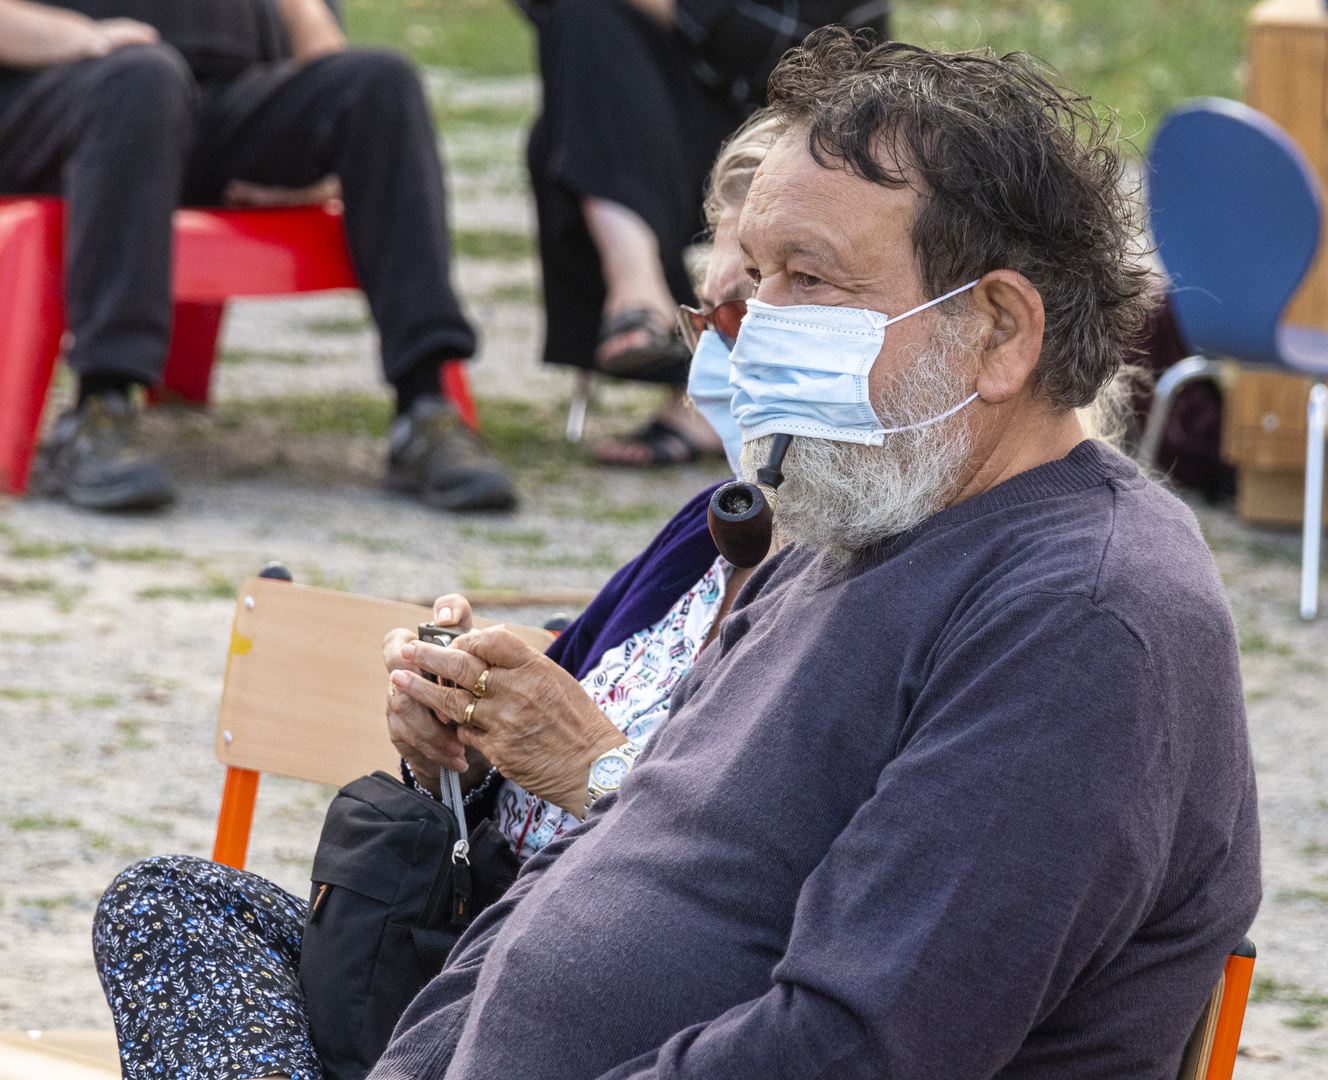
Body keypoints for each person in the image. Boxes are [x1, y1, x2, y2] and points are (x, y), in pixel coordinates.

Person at [371, 32, 1261, 1080]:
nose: (752, 330)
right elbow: (587, 874)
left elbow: (857, 1047)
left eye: (809, 278)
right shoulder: (854, 530)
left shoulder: (1082, 619)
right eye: (751, 282)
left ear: (999, 331)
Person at [90, 113, 783, 1080]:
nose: (716, 351)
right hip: (459, 944)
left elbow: (758, 880)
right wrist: (453, 730)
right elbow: (529, 736)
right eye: (707, 317)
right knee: (167, 903)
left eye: (752, 310)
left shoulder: (855, 586)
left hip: (590, 994)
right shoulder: (706, 531)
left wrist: (592, 765)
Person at [0, 0, 517, 512]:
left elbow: (306, 20)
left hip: (213, 101)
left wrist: (324, 152)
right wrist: (77, 38)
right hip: (63, 89)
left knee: (379, 83)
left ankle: (425, 409)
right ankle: (100, 408)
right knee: (142, 78)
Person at [516, 0, 887, 467]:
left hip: (801, 120)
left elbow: (785, 41)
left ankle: (645, 300)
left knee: (572, 124)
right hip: (655, 123)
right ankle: (660, 315)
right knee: (580, 24)